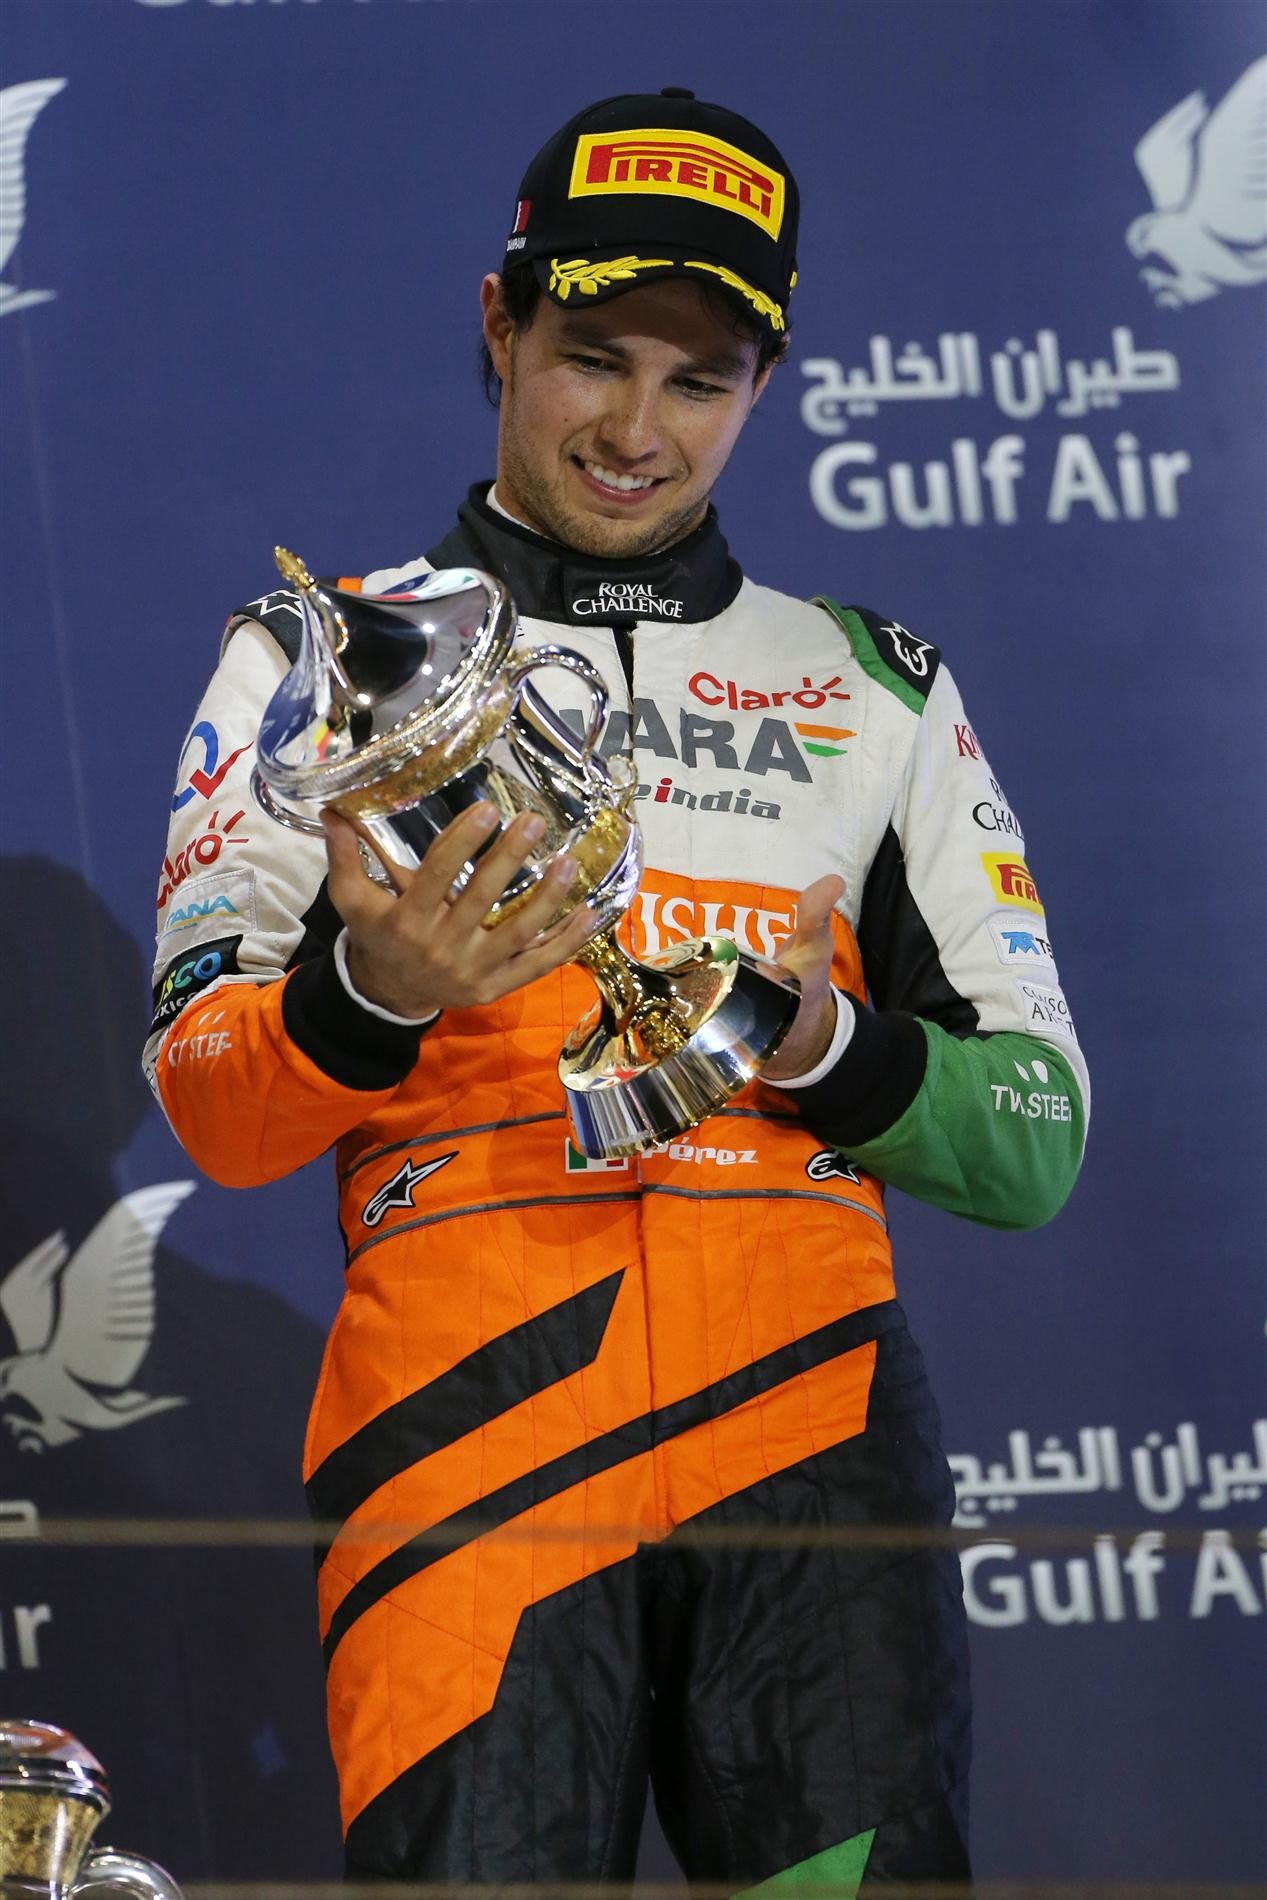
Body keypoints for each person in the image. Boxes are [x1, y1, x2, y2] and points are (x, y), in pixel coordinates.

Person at [144, 89, 1088, 1888]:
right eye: (592, 357)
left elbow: (1035, 1144)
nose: (637, 429)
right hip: (467, 1434)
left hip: (811, 1437)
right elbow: (209, 1094)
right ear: (498, 328)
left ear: (763, 389)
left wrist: (829, 1043)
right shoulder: (321, 658)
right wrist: (370, 997)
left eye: (701, 379)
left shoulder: (872, 685)